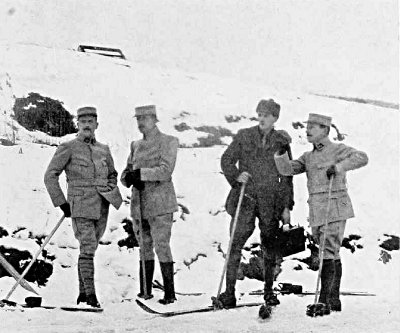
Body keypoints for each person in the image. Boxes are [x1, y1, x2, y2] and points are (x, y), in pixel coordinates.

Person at [274, 113, 368, 314]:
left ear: (325, 130)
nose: (308, 130)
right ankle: (334, 299)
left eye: (313, 127)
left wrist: (339, 167)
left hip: (334, 206)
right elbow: (287, 170)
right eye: (308, 127)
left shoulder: (337, 150)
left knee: (329, 249)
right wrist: (281, 151)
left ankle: (324, 300)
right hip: (317, 209)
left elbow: (362, 157)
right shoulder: (308, 157)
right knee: (330, 250)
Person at [217, 99, 294, 309]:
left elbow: (287, 176)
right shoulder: (244, 136)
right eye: (259, 114)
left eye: (267, 115)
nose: (262, 118)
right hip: (246, 198)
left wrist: (287, 207)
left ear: (275, 118)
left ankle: (269, 292)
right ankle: (229, 293)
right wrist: (236, 175)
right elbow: (226, 160)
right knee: (235, 244)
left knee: (269, 247)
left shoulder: (281, 141)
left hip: (271, 201)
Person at [44, 106, 123, 308]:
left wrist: (110, 189)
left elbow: (112, 174)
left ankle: (82, 295)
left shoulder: (104, 149)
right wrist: (61, 202)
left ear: (97, 125)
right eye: (83, 122)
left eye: (91, 121)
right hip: (79, 205)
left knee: (90, 249)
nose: (87, 125)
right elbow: (50, 175)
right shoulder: (68, 147)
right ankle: (90, 296)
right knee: (87, 246)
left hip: (101, 206)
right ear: (77, 124)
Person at [120, 105, 179, 305]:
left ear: (155, 119)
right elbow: (127, 171)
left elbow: (165, 171)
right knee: (144, 246)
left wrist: (141, 174)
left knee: (162, 245)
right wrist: (127, 178)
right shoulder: (135, 145)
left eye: (145, 118)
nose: (141, 123)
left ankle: (169, 294)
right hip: (139, 205)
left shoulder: (169, 142)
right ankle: (145, 291)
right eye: (138, 119)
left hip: (160, 204)